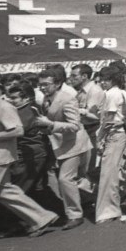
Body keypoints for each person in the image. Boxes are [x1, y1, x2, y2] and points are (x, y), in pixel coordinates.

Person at [34, 66, 90, 230]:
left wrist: (50, 124)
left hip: (73, 144)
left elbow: (75, 126)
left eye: (46, 84)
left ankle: (75, 215)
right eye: (40, 85)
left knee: (65, 179)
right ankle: (87, 199)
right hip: (57, 144)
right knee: (66, 178)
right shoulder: (46, 98)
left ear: (58, 84)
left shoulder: (67, 99)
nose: (42, 87)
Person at [0, 95, 59, 237]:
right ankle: (42, 218)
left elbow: (18, 130)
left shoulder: (3, 106)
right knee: (5, 191)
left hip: (2, 156)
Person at [93, 65, 126, 223]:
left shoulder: (111, 94)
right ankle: (110, 209)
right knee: (116, 172)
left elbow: (108, 121)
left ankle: (109, 211)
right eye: (102, 80)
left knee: (108, 174)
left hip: (113, 134)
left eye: (106, 80)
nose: (103, 82)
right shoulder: (123, 93)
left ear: (114, 80)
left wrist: (100, 138)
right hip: (121, 133)